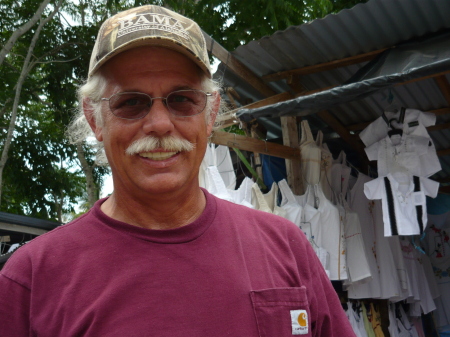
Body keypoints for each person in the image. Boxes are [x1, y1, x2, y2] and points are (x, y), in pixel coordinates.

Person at [0, 5, 356, 337]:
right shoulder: (31, 279)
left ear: (211, 113)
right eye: (131, 103)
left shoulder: (285, 246)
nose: (159, 124)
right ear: (95, 119)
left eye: (182, 99)